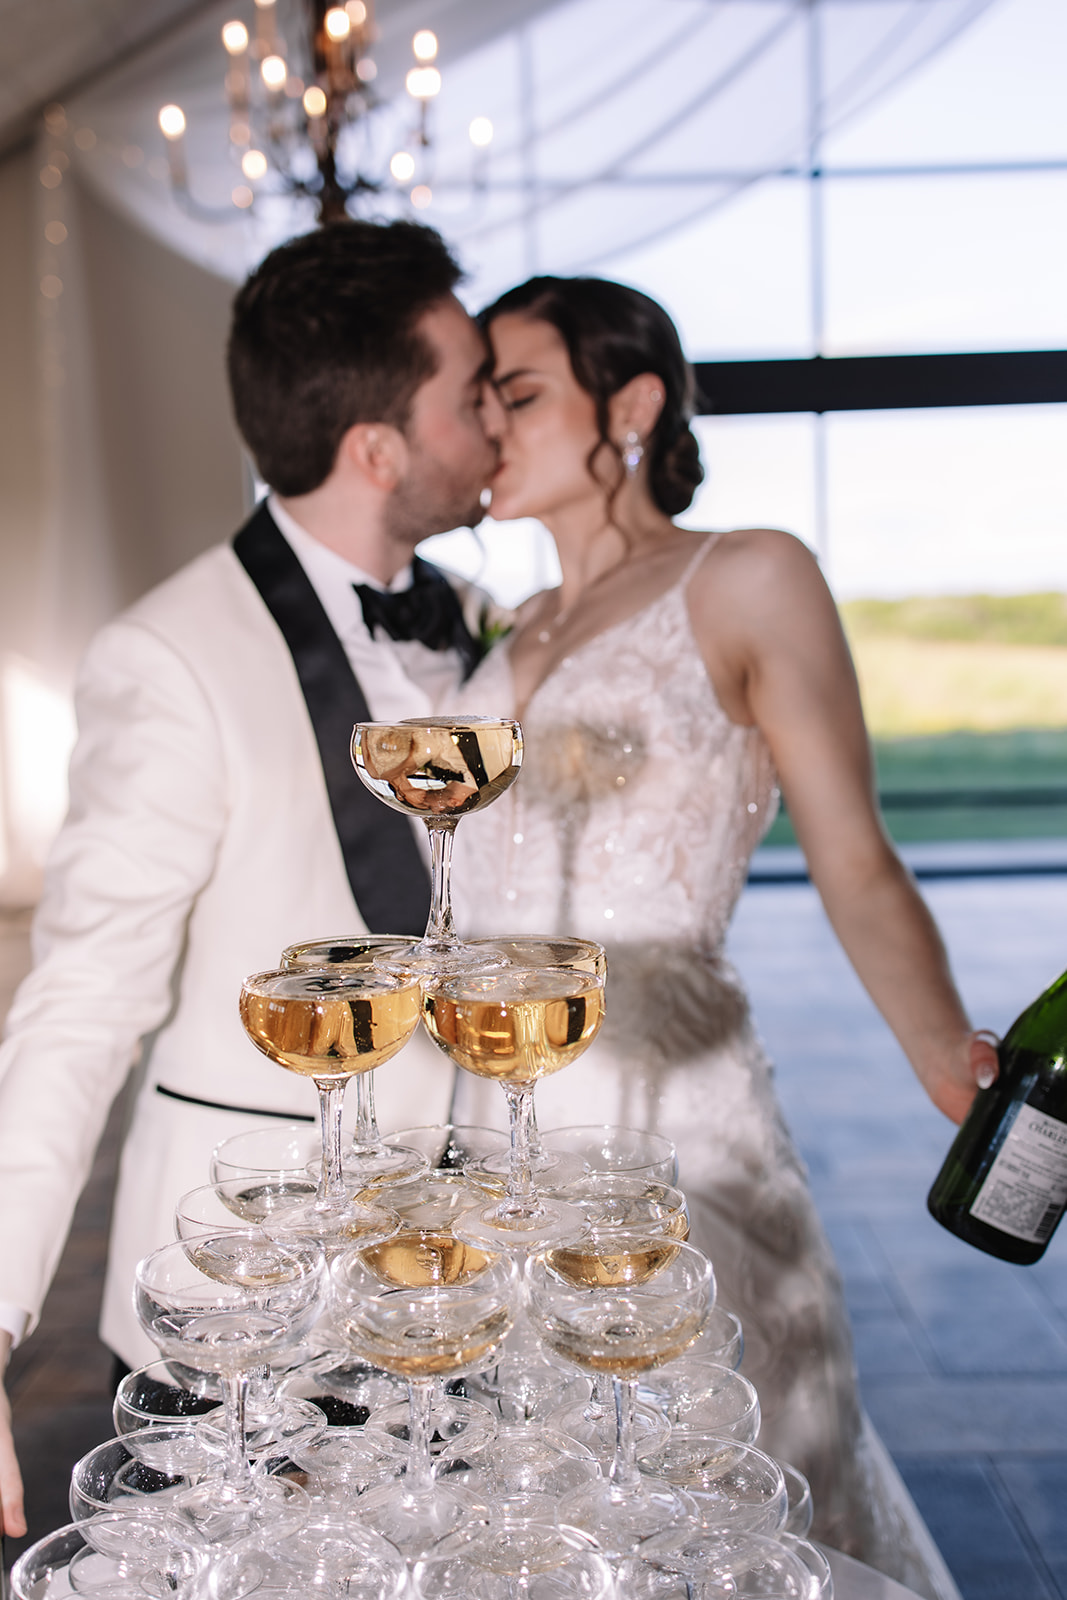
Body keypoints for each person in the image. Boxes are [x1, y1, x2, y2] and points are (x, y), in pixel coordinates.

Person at [448, 275, 996, 1598]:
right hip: (482, 1144)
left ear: (630, 404)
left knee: (711, 1511)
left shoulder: (747, 576)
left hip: (670, 1133)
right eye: (478, 399)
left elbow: (853, 858)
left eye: (519, 392)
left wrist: (946, 1059)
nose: (489, 425)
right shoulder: (503, 629)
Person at [0, 219, 502, 1538]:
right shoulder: (169, 656)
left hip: (455, 1291)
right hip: (242, 1291)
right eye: (470, 394)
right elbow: (80, 1001)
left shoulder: (469, 619)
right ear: (379, 447)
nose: (496, 421)